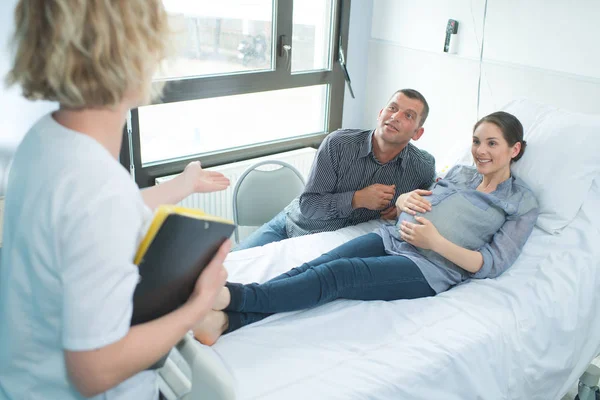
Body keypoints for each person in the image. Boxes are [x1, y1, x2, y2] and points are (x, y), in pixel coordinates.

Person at [0, 1, 230, 399]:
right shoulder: (98, 188)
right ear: (129, 48)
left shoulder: (45, 141)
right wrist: (200, 303)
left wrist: (182, 184)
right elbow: (94, 371)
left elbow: (91, 216)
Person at [193, 111, 540, 345]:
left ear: (515, 149)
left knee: (339, 275)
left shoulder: (520, 202)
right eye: (477, 141)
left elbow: (492, 264)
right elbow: (419, 198)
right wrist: (403, 202)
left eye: (491, 143)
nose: (480, 151)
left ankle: (232, 296)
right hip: (392, 238)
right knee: (317, 265)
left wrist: (434, 241)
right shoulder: (460, 174)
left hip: (428, 267)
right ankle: (227, 322)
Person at [235, 88, 436, 251]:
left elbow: (424, 213)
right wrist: (357, 199)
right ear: (380, 114)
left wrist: (401, 212)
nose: (396, 116)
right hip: (294, 226)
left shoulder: (423, 167)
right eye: (392, 108)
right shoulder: (339, 144)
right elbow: (309, 205)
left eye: (408, 115)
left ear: (417, 133)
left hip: (339, 243)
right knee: (229, 267)